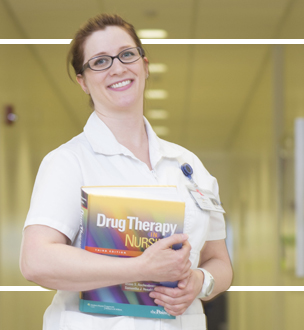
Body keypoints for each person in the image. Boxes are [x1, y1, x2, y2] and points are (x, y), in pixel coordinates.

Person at [20, 13, 233, 330]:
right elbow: (36, 262)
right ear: (83, 81)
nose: (118, 68)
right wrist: (141, 268)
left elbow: (219, 262)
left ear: (145, 65)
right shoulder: (68, 162)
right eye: (100, 62)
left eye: (127, 55)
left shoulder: (189, 166)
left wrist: (199, 281)